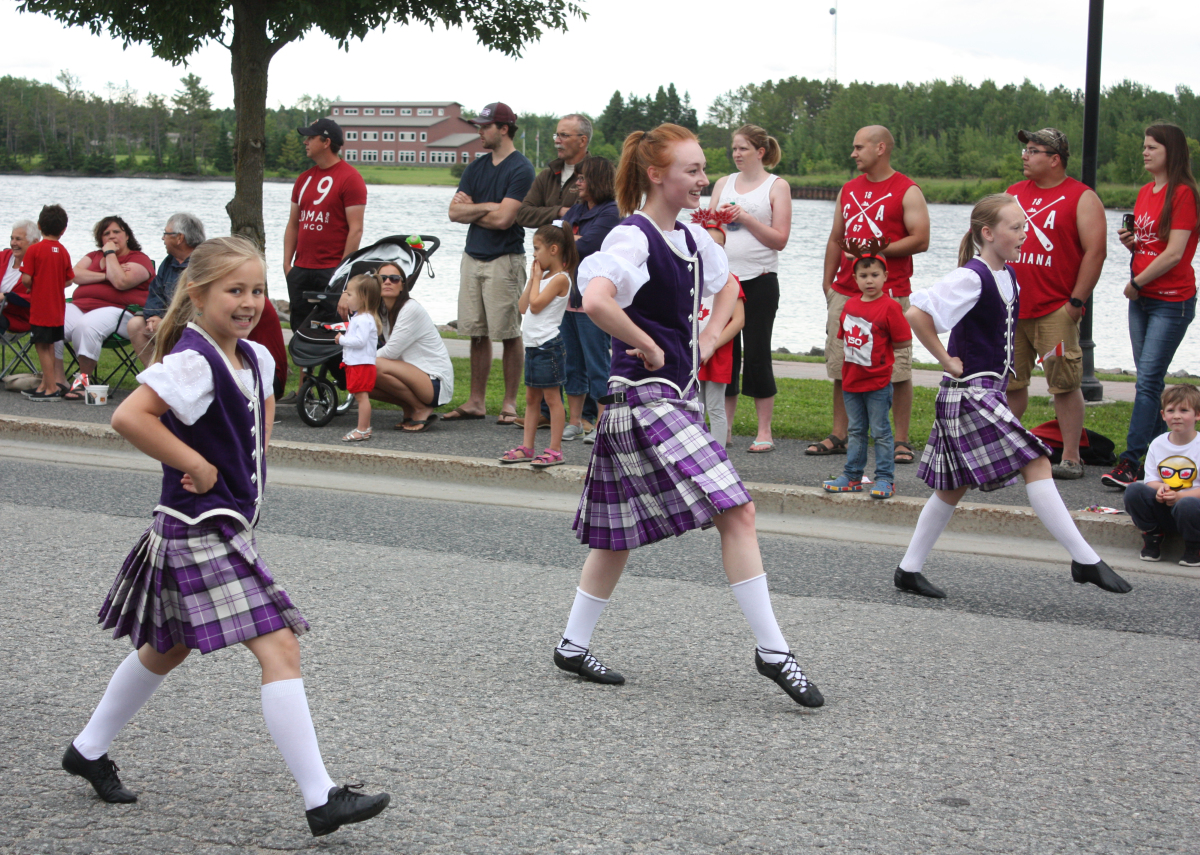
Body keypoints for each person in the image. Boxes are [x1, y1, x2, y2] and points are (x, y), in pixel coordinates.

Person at [61, 236, 389, 837]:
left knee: (169, 646)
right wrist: (200, 464)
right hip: (195, 526)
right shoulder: (190, 360)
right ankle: (321, 798)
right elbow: (128, 416)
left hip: (227, 524)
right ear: (198, 294)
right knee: (280, 644)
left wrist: (248, 469)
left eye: (257, 291)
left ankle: (86, 748)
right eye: (234, 291)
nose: (249, 302)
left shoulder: (256, 359)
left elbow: (258, 422)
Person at [553, 123, 823, 708]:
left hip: (673, 401)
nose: (705, 180)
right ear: (657, 175)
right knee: (739, 510)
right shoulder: (633, 238)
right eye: (694, 171)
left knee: (617, 536)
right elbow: (595, 298)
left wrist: (704, 339)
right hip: (641, 402)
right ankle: (773, 650)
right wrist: (648, 347)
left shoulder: (696, 241)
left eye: (704, 169)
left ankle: (572, 645)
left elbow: (731, 293)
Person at [895, 193, 1132, 600]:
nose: (1025, 234)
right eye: (1016, 227)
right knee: (1037, 459)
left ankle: (908, 570)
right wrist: (946, 359)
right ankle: (1084, 558)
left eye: (1024, 225)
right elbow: (917, 313)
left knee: (952, 488)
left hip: (987, 391)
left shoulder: (1007, 273)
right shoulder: (971, 276)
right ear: (988, 233)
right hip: (968, 393)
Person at [812, 126, 929, 465]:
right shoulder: (848, 190)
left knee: (898, 369)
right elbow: (837, 237)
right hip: (846, 294)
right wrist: (828, 283)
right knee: (842, 364)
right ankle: (839, 434)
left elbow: (921, 239)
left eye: (858, 147)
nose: (853, 153)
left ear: (880, 148)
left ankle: (901, 441)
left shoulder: (907, 190)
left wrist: (876, 249)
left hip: (890, 296)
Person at [1005, 129, 1107, 480]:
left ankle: (1071, 457)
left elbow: (1095, 251)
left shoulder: (1081, 197)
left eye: (1033, 150)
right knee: (1010, 383)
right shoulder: (1013, 194)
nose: (1025, 155)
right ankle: (1003, 452)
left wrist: (1075, 302)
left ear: (1055, 158)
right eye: (1025, 149)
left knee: (1063, 384)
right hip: (1013, 310)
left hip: (1055, 310)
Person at [1102, 123, 1200, 489]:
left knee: (1146, 383)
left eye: (1152, 147)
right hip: (1142, 299)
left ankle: (1129, 462)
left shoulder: (1184, 194)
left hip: (1171, 301)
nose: (1145, 152)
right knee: (1150, 381)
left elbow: (1175, 253)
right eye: (1144, 146)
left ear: (1170, 152)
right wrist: (1133, 244)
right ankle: (1162, 458)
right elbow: (1152, 246)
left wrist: (1138, 281)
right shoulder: (1146, 192)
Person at [446, 102, 535, 425]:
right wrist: (490, 207)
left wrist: (479, 210)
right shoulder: (476, 167)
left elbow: (504, 221)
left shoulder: (521, 169)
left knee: (509, 332)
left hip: (505, 260)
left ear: (504, 129)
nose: (479, 131)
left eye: (485, 126)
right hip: (472, 257)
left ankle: (510, 403)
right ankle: (476, 401)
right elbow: (454, 213)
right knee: (476, 332)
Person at [707, 124, 792, 453]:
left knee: (757, 352)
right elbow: (707, 224)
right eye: (734, 149)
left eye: (743, 148)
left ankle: (764, 430)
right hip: (725, 280)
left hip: (760, 278)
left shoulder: (777, 186)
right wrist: (715, 220)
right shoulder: (723, 183)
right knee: (726, 352)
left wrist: (746, 218)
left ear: (760, 151)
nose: (737, 154)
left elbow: (780, 239)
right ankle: (724, 427)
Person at [281, 117, 367, 404]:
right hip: (302, 268)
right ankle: (306, 387)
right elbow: (294, 222)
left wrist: (343, 271)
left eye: (310, 137)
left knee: (331, 329)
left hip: (331, 268)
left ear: (326, 141)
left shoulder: (350, 178)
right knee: (301, 328)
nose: (305, 141)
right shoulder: (304, 179)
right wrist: (286, 262)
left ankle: (342, 381)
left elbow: (355, 229)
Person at [516, 114, 592, 432]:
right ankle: (549, 409)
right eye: (555, 135)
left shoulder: (595, 173)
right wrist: (560, 213)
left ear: (582, 140)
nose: (557, 140)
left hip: (579, 272)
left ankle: (584, 414)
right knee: (550, 338)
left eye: (563, 134)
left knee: (581, 347)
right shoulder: (550, 173)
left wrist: (559, 223)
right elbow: (524, 211)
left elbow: (599, 213)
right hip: (548, 266)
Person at [822, 240, 911, 499]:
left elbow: (904, 340)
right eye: (863, 275)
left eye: (875, 275)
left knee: (881, 431)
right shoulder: (849, 305)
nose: (869, 280)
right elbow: (844, 338)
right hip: (852, 380)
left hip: (878, 381)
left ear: (885, 276)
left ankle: (885, 478)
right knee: (856, 430)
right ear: (854, 277)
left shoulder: (891, 306)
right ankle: (852, 476)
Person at [500, 223, 575, 468]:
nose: (533, 254)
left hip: (548, 346)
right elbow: (523, 307)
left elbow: (536, 305)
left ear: (553, 249)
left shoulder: (560, 279)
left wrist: (535, 280)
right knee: (531, 398)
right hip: (532, 346)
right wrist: (533, 279)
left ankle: (555, 449)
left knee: (553, 398)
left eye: (536, 249)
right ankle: (527, 446)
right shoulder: (540, 278)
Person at [562, 155, 621, 443]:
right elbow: (555, 241)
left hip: (593, 302)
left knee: (598, 363)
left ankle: (603, 421)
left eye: (584, 178)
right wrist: (569, 241)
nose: (579, 183)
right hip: (568, 299)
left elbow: (588, 246)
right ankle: (576, 421)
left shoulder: (611, 212)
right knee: (571, 362)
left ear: (598, 180)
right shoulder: (575, 210)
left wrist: (568, 241)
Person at [61, 215, 154, 397]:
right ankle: (55, 380)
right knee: (52, 320)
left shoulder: (139, 258)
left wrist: (110, 254)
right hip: (81, 306)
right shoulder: (93, 256)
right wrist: (105, 276)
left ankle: (83, 382)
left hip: (120, 312)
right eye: (106, 234)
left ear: (127, 236)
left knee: (86, 325)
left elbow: (120, 282)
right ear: (100, 239)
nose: (111, 237)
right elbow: (74, 276)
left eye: (116, 232)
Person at [370, 263, 455, 433]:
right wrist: (344, 294)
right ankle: (409, 409)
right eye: (382, 278)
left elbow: (391, 352)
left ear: (402, 285)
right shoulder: (382, 311)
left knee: (373, 365)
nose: (388, 282)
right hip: (413, 375)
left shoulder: (410, 309)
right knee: (358, 380)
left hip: (434, 381)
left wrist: (359, 359)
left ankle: (420, 408)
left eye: (394, 279)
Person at [1125, 384, 1200, 567]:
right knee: (1134, 490)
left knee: (1186, 504)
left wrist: (1180, 496)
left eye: (1184, 410)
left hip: (1192, 509)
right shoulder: (1158, 444)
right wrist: (1161, 489)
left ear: (1197, 415)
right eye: (1171, 410)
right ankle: (1152, 535)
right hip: (1167, 506)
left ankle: (1194, 546)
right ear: (1163, 415)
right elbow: (1151, 479)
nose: (1176, 415)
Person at [127, 213, 206, 368]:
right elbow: (155, 291)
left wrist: (166, 322)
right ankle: (156, 376)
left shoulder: (203, 262)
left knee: (165, 329)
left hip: (193, 324)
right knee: (135, 325)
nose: (163, 238)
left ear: (179, 238)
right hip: (166, 321)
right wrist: (155, 316)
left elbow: (194, 305)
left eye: (166, 234)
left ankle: (174, 378)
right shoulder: (169, 262)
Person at [19, 205, 73, 401]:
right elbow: (69, 280)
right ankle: (45, 385)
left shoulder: (34, 250)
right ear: (63, 230)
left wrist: (34, 284)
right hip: (58, 308)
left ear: (39, 226)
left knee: (41, 346)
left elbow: (26, 279)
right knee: (49, 345)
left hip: (41, 308)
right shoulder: (64, 251)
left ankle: (50, 388)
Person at [697, 278, 745, 449]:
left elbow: (738, 320)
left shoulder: (729, 279)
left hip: (718, 353)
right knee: (696, 407)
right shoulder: (693, 272)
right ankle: (697, 453)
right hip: (693, 350)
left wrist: (712, 347)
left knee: (715, 407)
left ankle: (718, 455)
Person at [335, 273, 383, 442]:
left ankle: (362, 429)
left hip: (361, 364)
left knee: (362, 397)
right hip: (357, 363)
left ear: (363, 298)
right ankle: (364, 428)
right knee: (360, 396)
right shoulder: (360, 317)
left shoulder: (363, 320)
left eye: (349, 294)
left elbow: (359, 341)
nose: (346, 298)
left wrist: (341, 339)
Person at [0, 219, 40, 335]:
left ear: (35, 242)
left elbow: (38, 298)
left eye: (18, 239)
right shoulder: (3, 257)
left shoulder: (39, 268)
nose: (13, 243)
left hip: (18, 318)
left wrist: (5, 296)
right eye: (12, 238)